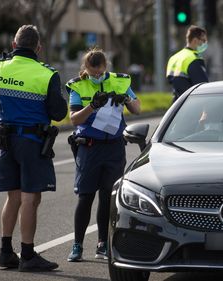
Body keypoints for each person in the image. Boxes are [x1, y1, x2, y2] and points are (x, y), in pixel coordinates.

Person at [0, 25, 67, 271]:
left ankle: (5, 252)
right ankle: (28, 255)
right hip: (32, 143)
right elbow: (59, 113)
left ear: (13, 45)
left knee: (13, 196)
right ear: (38, 48)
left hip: (6, 141)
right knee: (30, 197)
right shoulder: (46, 74)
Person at [65, 47, 141, 262]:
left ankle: (102, 244)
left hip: (114, 147)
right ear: (85, 69)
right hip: (89, 148)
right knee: (86, 196)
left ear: (106, 67)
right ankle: (77, 245)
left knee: (108, 197)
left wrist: (125, 98)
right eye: (92, 73)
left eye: (99, 73)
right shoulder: (78, 85)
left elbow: (137, 108)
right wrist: (92, 106)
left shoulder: (120, 81)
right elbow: (74, 119)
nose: (96, 77)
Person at [166, 25, 209, 103]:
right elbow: (202, 87)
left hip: (177, 103)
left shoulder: (174, 58)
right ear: (195, 40)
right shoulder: (194, 58)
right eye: (203, 40)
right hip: (192, 103)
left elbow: (171, 81)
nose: (205, 43)